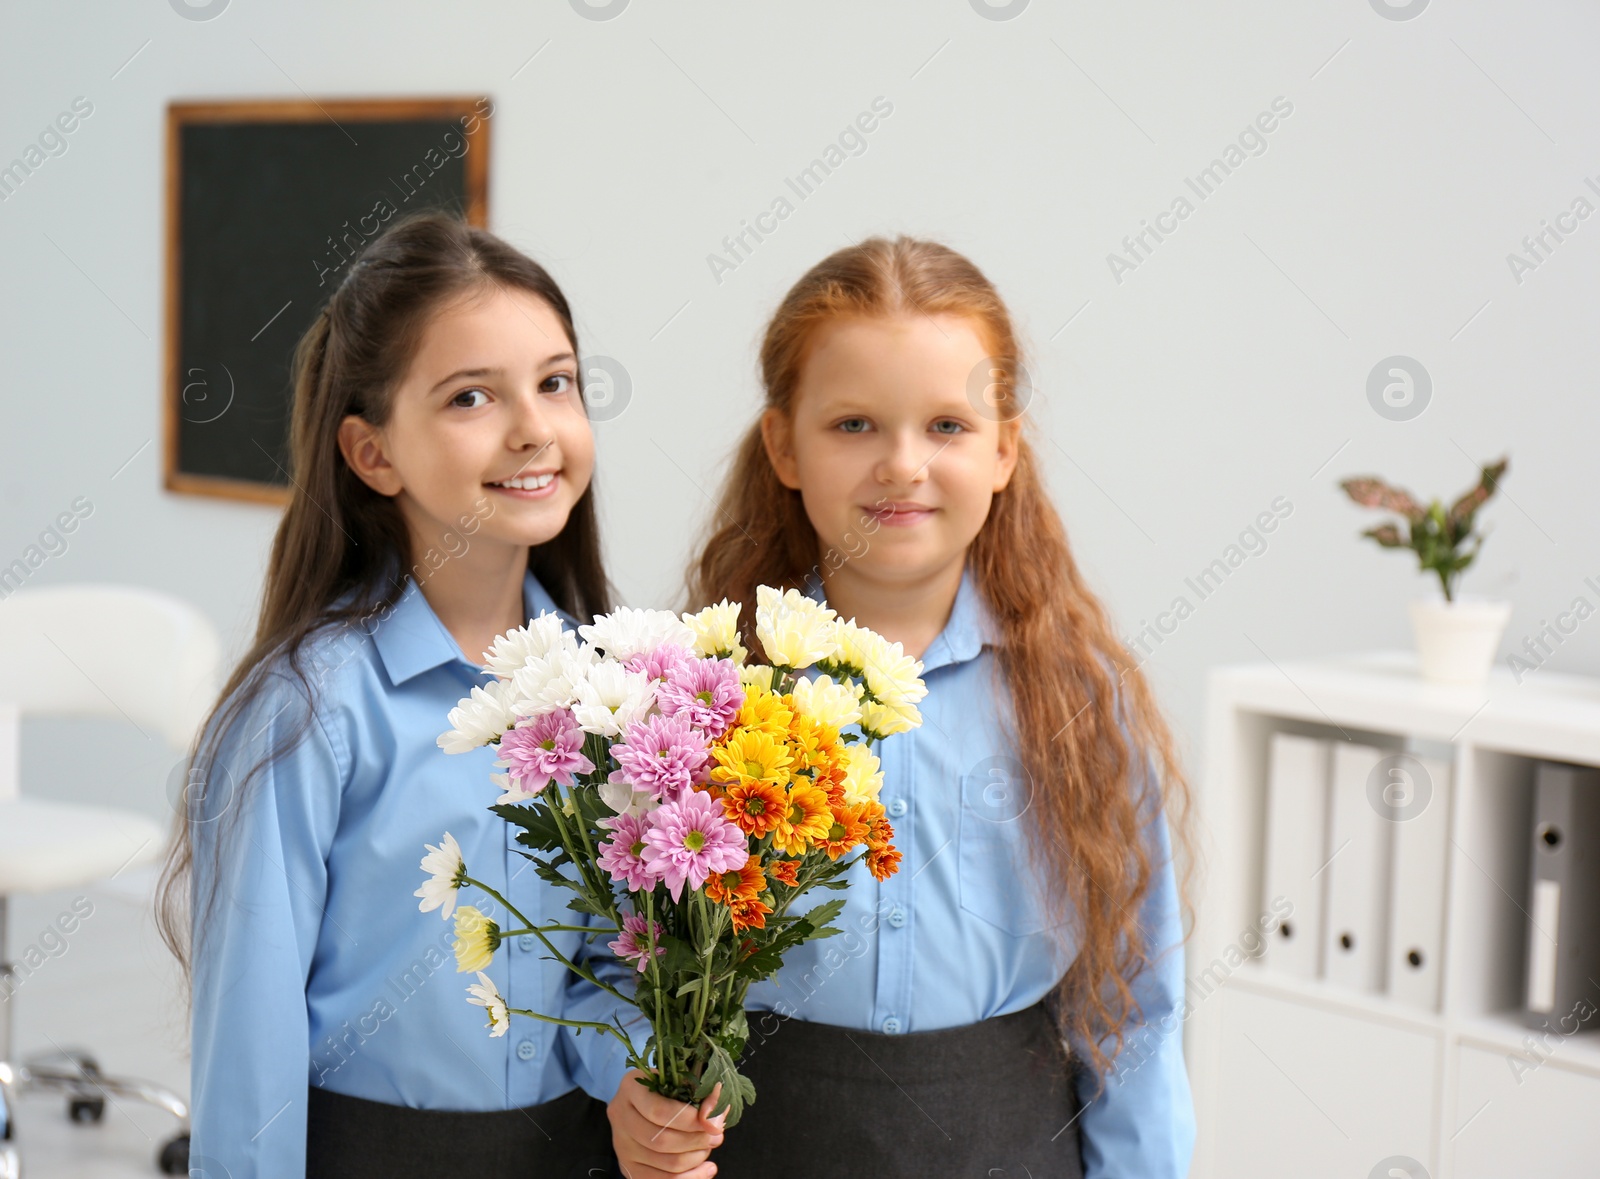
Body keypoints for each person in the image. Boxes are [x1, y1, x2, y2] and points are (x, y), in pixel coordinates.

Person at [604, 235, 1198, 1178]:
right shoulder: (705, 690)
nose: (902, 464)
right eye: (854, 425)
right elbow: (620, 949)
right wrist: (625, 1087)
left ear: (1005, 448)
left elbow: (1136, 1007)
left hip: (1007, 1142)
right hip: (763, 1139)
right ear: (783, 446)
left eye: (948, 427)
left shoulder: (1079, 698)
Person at [155, 212, 629, 1178]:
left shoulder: (608, 690)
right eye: (470, 398)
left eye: (556, 382)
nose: (534, 427)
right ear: (372, 454)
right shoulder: (309, 710)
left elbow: (601, 971)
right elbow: (250, 1045)